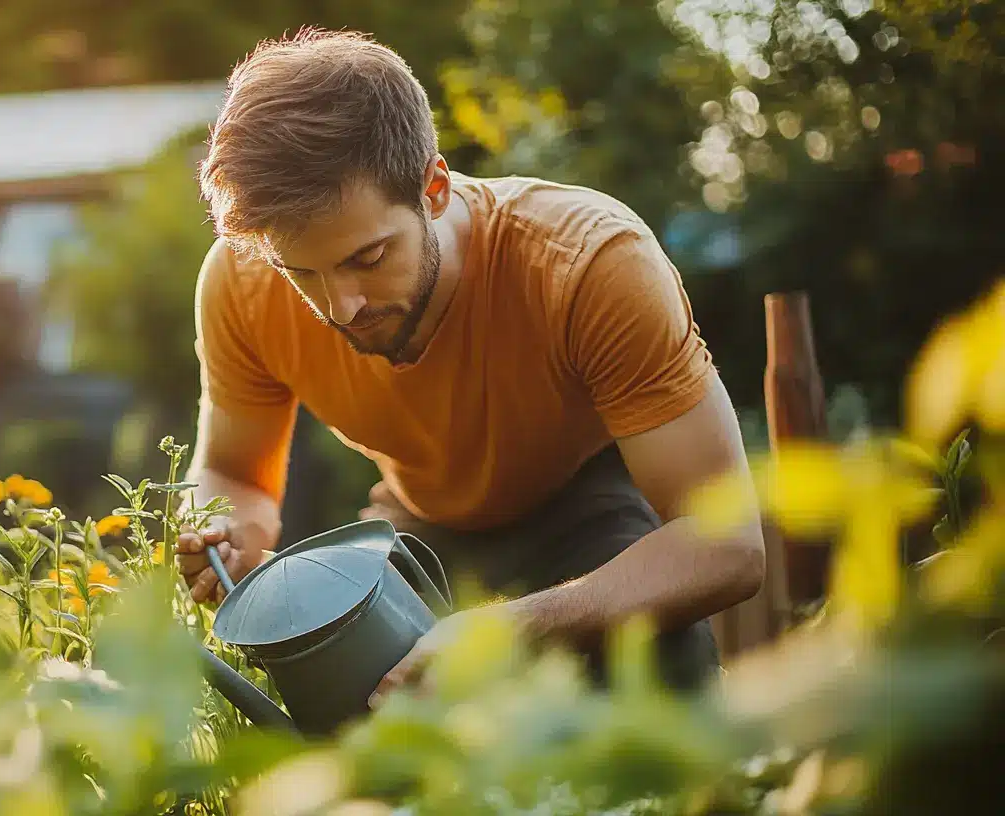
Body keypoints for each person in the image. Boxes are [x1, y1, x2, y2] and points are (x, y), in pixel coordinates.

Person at [174, 28, 766, 701]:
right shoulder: (241, 283)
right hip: (419, 524)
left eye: (366, 258)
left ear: (432, 188)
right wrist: (231, 535)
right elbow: (232, 472)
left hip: (587, 508)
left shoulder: (590, 265)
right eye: (301, 271)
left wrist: (505, 630)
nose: (341, 306)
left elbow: (726, 546)